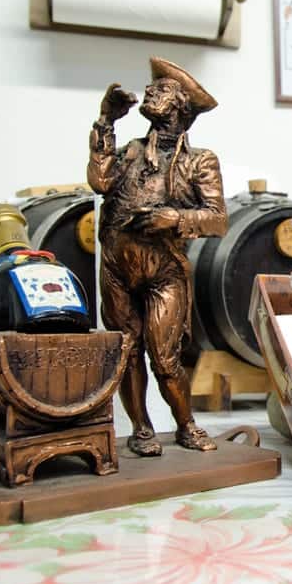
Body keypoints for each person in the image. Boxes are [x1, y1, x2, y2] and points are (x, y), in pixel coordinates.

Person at [87, 57, 228, 456]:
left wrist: (174, 217)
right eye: (152, 88)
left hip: (163, 268)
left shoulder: (200, 160)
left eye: (162, 89)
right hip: (117, 264)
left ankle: (186, 425)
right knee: (127, 351)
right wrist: (105, 123)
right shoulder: (131, 151)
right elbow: (99, 181)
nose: (150, 91)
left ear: (182, 107)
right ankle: (142, 429)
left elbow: (218, 220)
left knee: (165, 359)